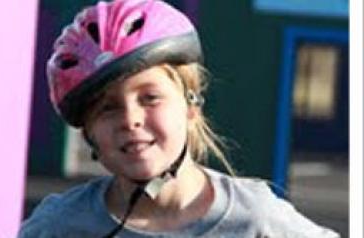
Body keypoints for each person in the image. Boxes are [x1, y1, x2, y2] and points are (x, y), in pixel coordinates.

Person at [18, 0, 340, 237]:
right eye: (107, 108)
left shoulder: (257, 220)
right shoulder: (58, 227)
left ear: (191, 106)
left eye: (150, 98)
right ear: (89, 134)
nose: (131, 119)